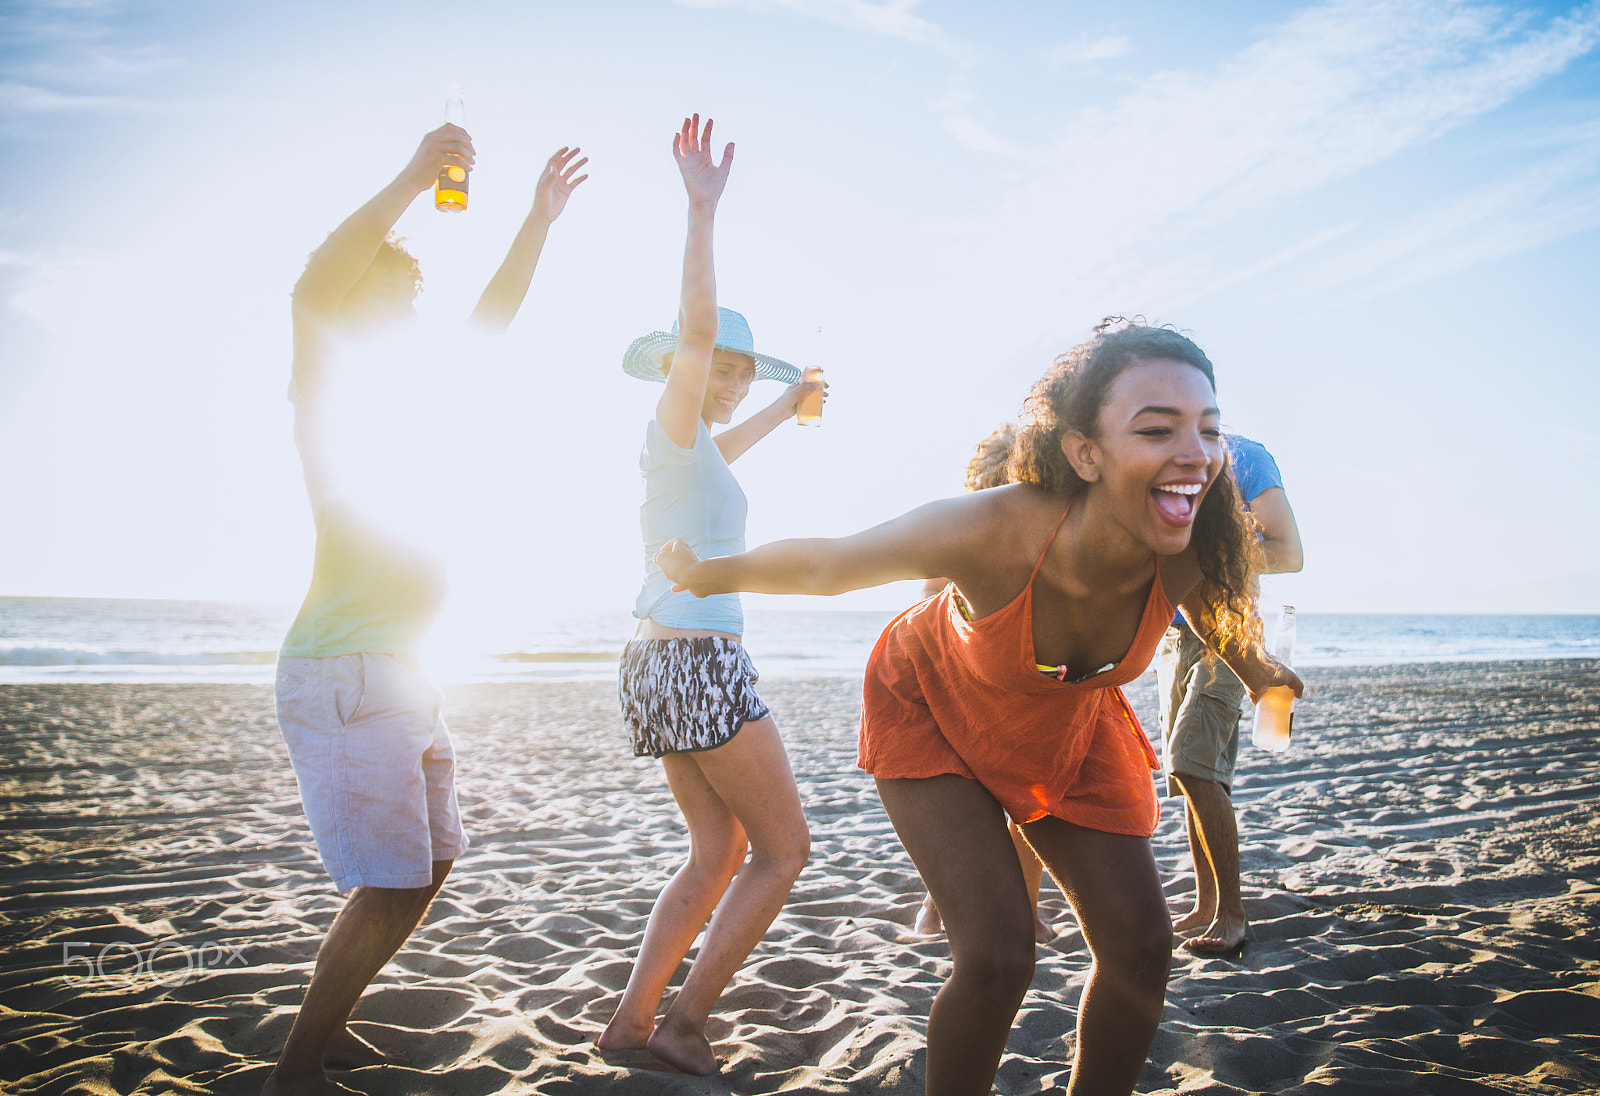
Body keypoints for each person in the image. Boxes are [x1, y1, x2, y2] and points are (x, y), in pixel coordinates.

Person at [656, 319, 1303, 1096]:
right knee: (998, 956)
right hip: (930, 707)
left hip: (1066, 718)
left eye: (1209, 428)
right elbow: (832, 563)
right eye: (1158, 429)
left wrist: (1261, 670)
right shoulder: (1000, 526)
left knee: (1140, 947)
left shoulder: (1194, 543)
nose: (1196, 453)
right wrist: (706, 573)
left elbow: (1207, 615)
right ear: (1083, 452)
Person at [266, 124, 587, 1096]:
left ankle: (323, 1029)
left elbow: (493, 314)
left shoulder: (421, 393)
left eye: (416, 297)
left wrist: (536, 220)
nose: (413, 309)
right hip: (346, 668)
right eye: (396, 293)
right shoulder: (328, 386)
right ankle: (295, 1070)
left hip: (402, 668)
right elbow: (314, 282)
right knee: (400, 877)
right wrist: (415, 175)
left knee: (432, 863)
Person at [597, 114, 823, 1077]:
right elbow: (696, 329)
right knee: (783, 852)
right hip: (694, 656)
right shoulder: (670, 414)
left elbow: (727, 454)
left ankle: (632, 1023)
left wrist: (786, 402)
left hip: (657, 659)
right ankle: (687, 1023)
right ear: (685, 367)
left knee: (717, 852)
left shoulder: (690, 455)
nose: (724, 380)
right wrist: (701, 211)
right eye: (716, 367)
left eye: (737, 369)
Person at [911, 423, 1057, 944]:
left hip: (1023, 683)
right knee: (975, 807)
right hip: (965, 680)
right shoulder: (969, 529)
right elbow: (926, 603)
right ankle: (937, 909)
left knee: (1028, 805)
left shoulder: (1045, 530)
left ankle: (1029, 912)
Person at [1159, 433, 1302, 957]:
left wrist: (1209, 552)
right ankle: (1205, 903)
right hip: (1172, 633)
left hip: (1231, 630)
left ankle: (1232, 912)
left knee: (1192, 761)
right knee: (1189, 776)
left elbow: (1289, 553)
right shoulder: (1159, 459)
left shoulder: (1247, 456)